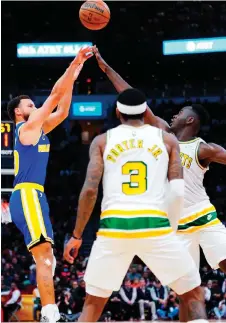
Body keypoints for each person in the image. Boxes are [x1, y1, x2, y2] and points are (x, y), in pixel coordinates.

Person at [93, 47, 226, 315]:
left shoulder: (205, 148)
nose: (173, 115)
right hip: (175, 225)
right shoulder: (164, 133)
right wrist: (106, 69)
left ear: (190, 120)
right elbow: (134, 100)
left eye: (180, 113)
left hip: (204, 218)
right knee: (186, 292)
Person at [64, 88, 208, 322]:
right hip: (155, 224)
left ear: (118, 111)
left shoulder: (102, 140)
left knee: (93, 302)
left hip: (114, 227)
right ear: (144, 111)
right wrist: (169, 230)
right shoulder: (168, 139)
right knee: (193, 293)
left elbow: (90, 190)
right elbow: (178, 191)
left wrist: (77, 235)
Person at [8, 46, 94, 323]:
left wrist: (75, 75)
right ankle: (50, 316)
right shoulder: (26, 129)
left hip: (36, 196)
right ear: (18, 113)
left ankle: (49, 310)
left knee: (49, 260)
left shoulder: (39, 130)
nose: (35, 107)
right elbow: (54, 96)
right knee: (44, 256)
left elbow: (64, 107)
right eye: (30, 105)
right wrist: (75, 63)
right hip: (27, 195)